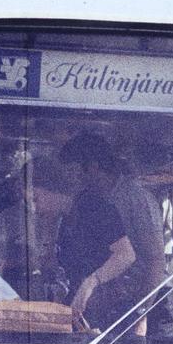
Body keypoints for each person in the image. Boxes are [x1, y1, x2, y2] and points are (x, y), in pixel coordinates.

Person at [56, 131, 162, 331]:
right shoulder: (86, 201)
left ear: (92, 167)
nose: (70, 180)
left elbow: (155, 259)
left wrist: (140, 314)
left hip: (137, 303)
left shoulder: (135, 199)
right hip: (103, 302)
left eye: (72, 171)